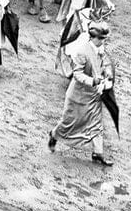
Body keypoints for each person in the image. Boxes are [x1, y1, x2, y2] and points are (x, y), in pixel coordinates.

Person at [49, 21, 116, 166]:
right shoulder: (82, 51)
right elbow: (77, 74)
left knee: (97, 124)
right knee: (69, 123)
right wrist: (93, 80)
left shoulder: (101, 49)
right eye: (101, 38)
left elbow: (106, 63)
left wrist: (108, 73)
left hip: (94, 95)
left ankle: (98, 153)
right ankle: (54, 134)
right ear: (94, 37)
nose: (103, 41)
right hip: (78, 96)